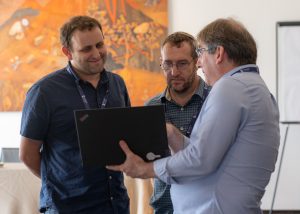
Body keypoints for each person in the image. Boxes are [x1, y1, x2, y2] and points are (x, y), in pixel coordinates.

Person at [107, 18, 280, 214]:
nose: (199, 62)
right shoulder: (255, 88)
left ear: (219, 54)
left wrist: (145, 169)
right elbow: (214, 155)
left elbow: (201, 159)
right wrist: (174, 136)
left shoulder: (229, 87)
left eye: (200, 52)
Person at [19, 15, 131, 214]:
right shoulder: (44, 91)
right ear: (67, 52)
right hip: (67, 207)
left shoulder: (117, 84)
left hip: (115, 204)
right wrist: (62, 184)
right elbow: (27, 154)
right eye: (86, 49)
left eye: (99, 44)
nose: (96, 53)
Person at [146, 31, 209, 214]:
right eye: (168, 64)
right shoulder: (151, 107)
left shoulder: (216, 101)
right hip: (165, 207)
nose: (174, 72)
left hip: (204, 206)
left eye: (182, 64)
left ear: (197, 62)